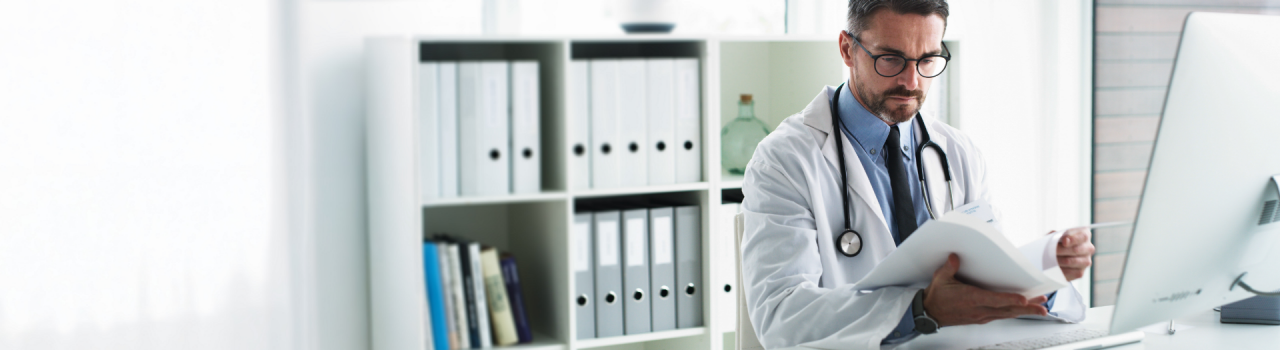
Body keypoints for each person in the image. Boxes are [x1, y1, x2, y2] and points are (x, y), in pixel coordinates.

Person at [739, 0, 1095, 348]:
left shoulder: (957, 152)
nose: (911, 82)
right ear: (848, 49)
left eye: (927, 60)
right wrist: (919, 309)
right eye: (891, 59)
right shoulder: (785, 160)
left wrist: (1040, 274)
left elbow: (986, 281)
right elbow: (781, 316)